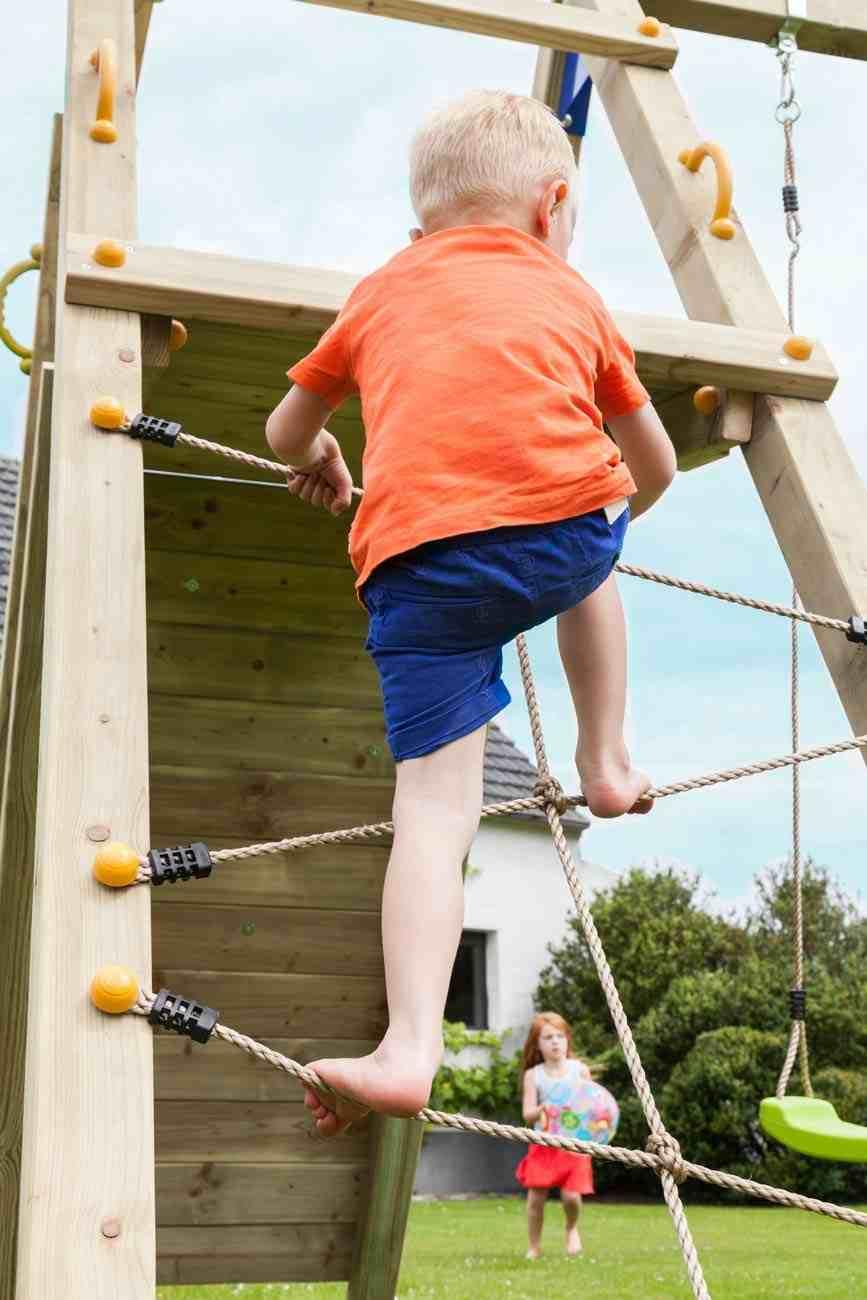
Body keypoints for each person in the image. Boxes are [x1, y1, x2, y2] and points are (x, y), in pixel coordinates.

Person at [264, 90, 676, 1136]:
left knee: (433, 816)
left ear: (419, 230)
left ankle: (409, 1048)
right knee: (595, 544)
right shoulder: (567, 289)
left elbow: (285, 428)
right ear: (552, 208)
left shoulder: (380, 289)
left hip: (412, 567)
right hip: (557, 537)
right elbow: (655, 462)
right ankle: (606, 759)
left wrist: (322, 455)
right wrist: (611, 507)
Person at [516, 1012, 598, 1259]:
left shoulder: (580, 1071)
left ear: (567, 1040)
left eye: (560, 1036)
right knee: (536, 1199)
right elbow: (527, 1114)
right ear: (537, 1044)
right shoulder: (534, 1075)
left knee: (571, 1197)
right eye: (548, 1037)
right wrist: (541, 1110)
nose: (555, 1042)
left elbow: (593, 1107)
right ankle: (534, 1246)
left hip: (574, 1143)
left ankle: (571, 1227)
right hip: (544, 1144)